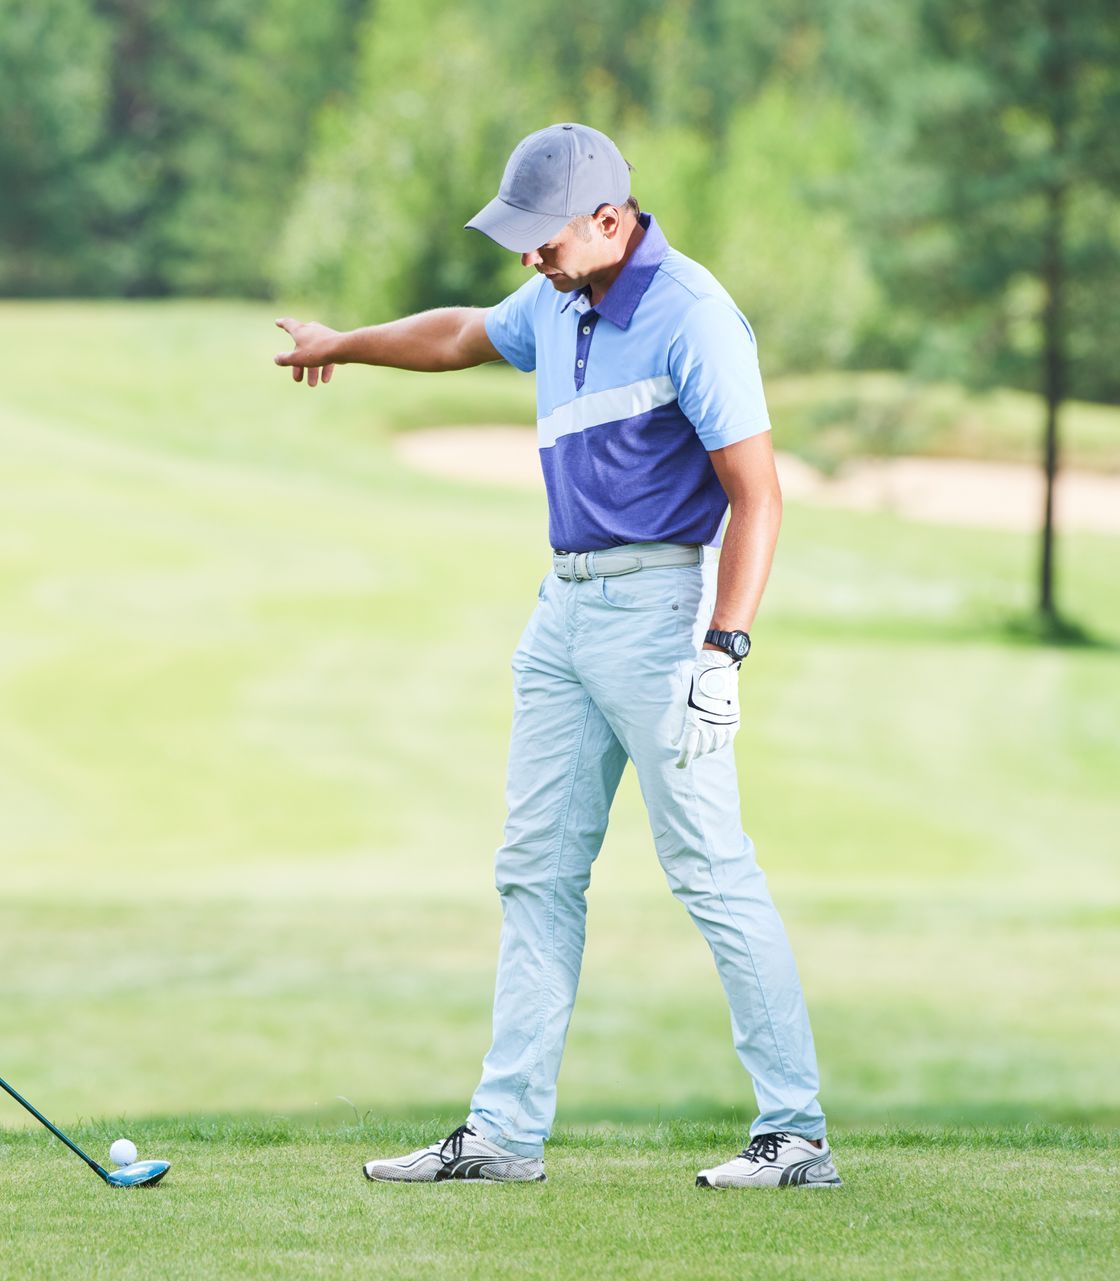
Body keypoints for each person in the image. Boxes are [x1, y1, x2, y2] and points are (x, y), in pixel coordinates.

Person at [274, 123, 837, 1190]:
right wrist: (337, 342)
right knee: (535, 872)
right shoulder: (562, 298)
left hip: (661, 613)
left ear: (613, 220)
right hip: (563, 614)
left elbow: (758, 496)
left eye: (546, 238)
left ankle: (795, 1132)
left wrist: (724, 651)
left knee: (710, 871)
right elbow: (458, 336)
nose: (528, 256)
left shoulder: (695, 317)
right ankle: (503, 1133)